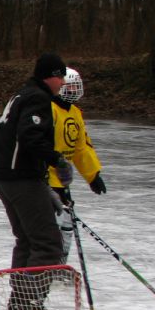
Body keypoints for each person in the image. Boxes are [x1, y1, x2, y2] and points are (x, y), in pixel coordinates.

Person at [0, 53, 71, 310]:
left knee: (26, 240)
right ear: (51, 75)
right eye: (60, 77)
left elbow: (5, 136)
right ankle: (29, 306)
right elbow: (29, 136)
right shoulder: (38, 98)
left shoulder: (20, 95)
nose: (62, 83)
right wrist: (56, 161)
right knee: (48, 243)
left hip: (7, 177)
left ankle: (19, 306)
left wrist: (40, 182)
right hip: (19, 178)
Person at [47, 67, 107, 260]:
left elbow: (81, 147)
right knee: (52, 224)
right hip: (46, 177)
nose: (73, 91)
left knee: (66, 224)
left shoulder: (75, 112)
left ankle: (59, 264)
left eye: (76, 86)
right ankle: (46, 265)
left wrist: (93, 175)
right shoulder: (48, 109)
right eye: (70, 86)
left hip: (63, 179)